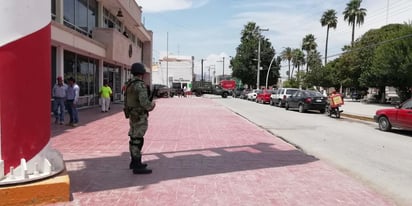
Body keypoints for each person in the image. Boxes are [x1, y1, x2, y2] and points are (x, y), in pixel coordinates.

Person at [124, 62, 155, 174]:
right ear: (141, 73)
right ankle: (137, 165)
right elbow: (144, 103)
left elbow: (127, 101)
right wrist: (152, 105)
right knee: (137, 139)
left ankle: (134, 161)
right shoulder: (140, 85)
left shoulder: (129, 84)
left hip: (132, 114)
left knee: (133, 138)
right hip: (139, 115)